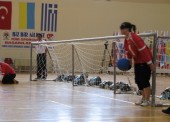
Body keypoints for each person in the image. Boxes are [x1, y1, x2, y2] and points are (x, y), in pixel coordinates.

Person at [120, 22, 155, 106]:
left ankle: (147, 99)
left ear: (127, 29)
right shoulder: (126, 39)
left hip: (144, 62)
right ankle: (143, 98)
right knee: (138, 81)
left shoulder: (135, 37)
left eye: (122, 28)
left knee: (144, 81)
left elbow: (144, 51)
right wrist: (129, 62)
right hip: (137, 62)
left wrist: (150, 64)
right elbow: (128, 51)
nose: (121, 30)